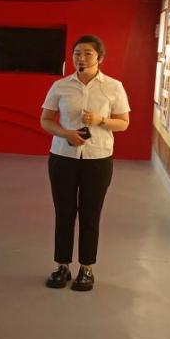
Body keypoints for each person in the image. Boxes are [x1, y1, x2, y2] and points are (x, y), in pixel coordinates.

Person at [39, 35, 130, 292]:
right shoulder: (60, 86)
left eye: (87, 53)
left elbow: (123, 123)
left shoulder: (113, 87)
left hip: (98, 159)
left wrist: (101, 120)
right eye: (77, 53)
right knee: (64, 213)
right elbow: (46, 120)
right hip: (63, 158)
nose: (81, 58)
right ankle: (62, 266)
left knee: (90, 214)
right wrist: (66, 133)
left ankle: (86, 268)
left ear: (100, 57)